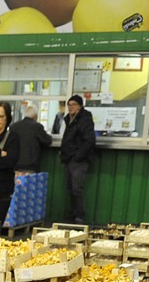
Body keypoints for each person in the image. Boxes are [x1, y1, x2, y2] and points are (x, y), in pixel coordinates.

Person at [59, 94, 96, 224]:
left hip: (78, 160)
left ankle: (79, 216)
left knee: (76, 188)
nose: (71, 107)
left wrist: (78, 156)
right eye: (69, 105)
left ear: (80, 106)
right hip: (69, 158)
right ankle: (72, 214)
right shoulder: (69, 119)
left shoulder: (84, 120)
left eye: (74, 105)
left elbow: (89, 140)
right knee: (70, 188)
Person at [10, 105, 50, 172]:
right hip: (30, 165)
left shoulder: (13, 126)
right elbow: (47, 141)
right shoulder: (37, 127)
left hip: (14, 165)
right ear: (35, 116)